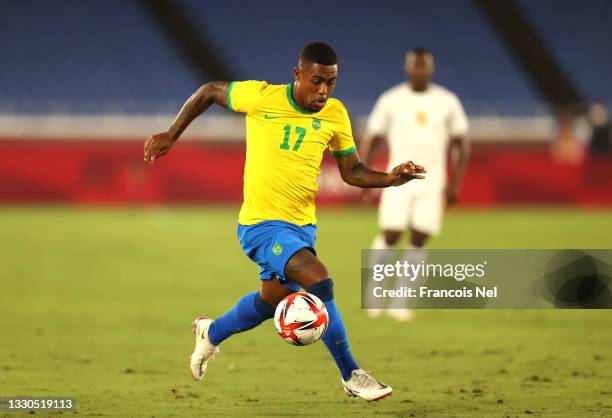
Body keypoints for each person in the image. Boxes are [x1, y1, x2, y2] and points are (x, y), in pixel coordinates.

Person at [143, 42, 426, 401]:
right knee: (318, 278)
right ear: (298, 75)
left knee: (269, 302)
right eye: (317, 81)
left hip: (302, 228)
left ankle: (210, 333)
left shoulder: (335, 114)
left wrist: (392, 177)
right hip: (261, 226)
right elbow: (209, 91)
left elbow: (352, 171)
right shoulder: (261, 98)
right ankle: (351, 373)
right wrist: (172, 133)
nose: (324, 90)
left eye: (331, 83)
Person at [360, 48, 469, 321]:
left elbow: (461, 143)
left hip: (432, 184)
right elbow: (373, 137)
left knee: (419, 238)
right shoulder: (391, 99)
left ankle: (400, 301)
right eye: (415, 66)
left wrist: (455, 182)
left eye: (424, 66)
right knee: (391, 233)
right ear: (408, 68)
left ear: (430, 69)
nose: (420, 71)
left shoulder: (447, 101)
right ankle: (375, 292)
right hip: (397, 180)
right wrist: (365, 175)